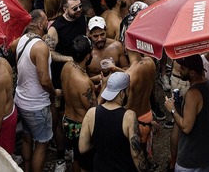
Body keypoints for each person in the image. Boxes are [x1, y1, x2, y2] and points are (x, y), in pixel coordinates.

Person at [13, 10, 57, 172]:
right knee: (42, 144)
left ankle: (26, 168)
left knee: (26, 136)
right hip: (36, 105)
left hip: (21, 99)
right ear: (40, 24)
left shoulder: (22, 40)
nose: (48, 23)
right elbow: (45, 80)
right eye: (46, 20)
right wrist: (54, 93)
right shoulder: (40, 47)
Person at [78, 72, 147, 172]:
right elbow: (136, 154)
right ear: (122, 94)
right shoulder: (129, 116)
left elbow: (83, 148)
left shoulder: (91, 113)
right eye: (128, 90)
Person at [164, 54, 209, 172]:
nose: (180, 70)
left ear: (192, 73)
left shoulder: (193, 94)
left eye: (183, 68)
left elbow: (186, 127)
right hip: (205, 154)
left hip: (190, 158)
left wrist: (172, 109)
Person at [61, 37, 96, 172]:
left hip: (68, 121)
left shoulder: (67, 66)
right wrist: (104, 86)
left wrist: (92, 83)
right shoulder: (83, 81)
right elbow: (94, 108)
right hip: (81, 127)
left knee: (77, 157)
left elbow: (74, 88)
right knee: (86, 164)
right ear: (88, 56)